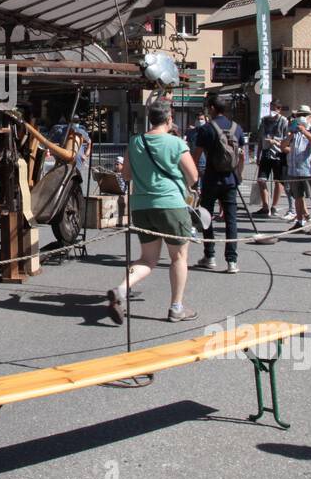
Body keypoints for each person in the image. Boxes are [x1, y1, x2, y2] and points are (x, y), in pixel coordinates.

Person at [106, 102, 199, 324]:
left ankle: (121, 289)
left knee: (147, 258)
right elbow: (194, 176)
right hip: (171, 205)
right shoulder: (176, 143)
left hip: (142, 206)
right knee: (178, 257)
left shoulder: (135, 141)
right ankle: (176, 307)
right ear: (169, 119)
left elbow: (126, 175)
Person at [191, 96, 245, 274]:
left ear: (212, 108)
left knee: (206, 217)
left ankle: (210, 256)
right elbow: (242, 154)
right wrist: (240, 174)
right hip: (230, 179)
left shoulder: (207, 129)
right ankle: (232, 261)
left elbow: (196, 156)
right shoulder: (237, 128)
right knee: (231, 220)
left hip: (211, 179)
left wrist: (192, 177)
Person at [282, 104, 311, 234]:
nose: (301, 117)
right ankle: (299, 222)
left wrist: (304, 131)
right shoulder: (293, 132)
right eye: (299, 115)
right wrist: (291, 134)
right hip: (294, 170)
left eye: (304, 115)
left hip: (309, 170)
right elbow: (283, 147)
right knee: (298, 197)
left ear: (309, 117)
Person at [254, 102, 289, 216]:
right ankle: (265, 206)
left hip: (278, 153)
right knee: (261, 180)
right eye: (271, 108)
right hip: (266, 153)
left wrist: (275, 141)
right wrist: (258, 154)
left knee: (278, 181)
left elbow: (287, 138)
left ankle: (274, 206)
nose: (273, 110)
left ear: (279, 109)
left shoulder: (284, 121)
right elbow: (260, 139)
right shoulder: (264, 120)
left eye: (275, 108)